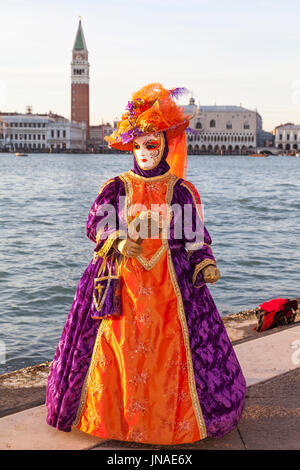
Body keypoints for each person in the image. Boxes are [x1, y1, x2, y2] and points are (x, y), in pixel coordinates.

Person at [46, 83, 246, 445]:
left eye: (150, 144)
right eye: (136, 145)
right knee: (114, 350)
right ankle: (113, 417)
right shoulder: (116, 187)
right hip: (119, 280)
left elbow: (193, 234)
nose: (143, 152)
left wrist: (204, 261)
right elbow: (96, 224)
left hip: (172, 283)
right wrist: (119, 239)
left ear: (165, 145)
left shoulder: (179, 190)